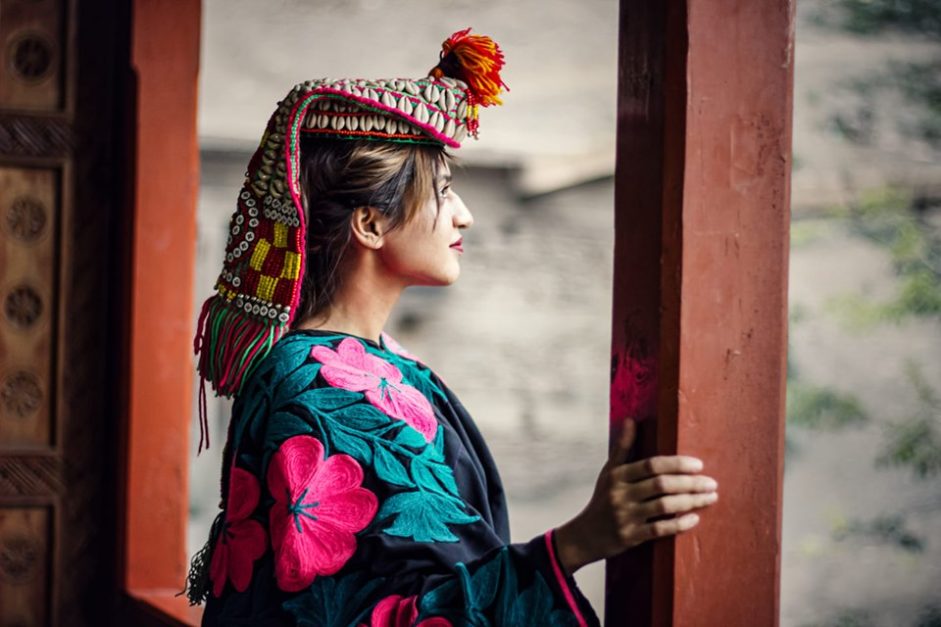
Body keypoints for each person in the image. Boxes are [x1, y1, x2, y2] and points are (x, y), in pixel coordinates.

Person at [186, 29, 719, 626]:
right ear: (369, 223)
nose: (463, 212)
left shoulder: (364, 365)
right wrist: (575, 545)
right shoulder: (316, 384)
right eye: (442, 191)